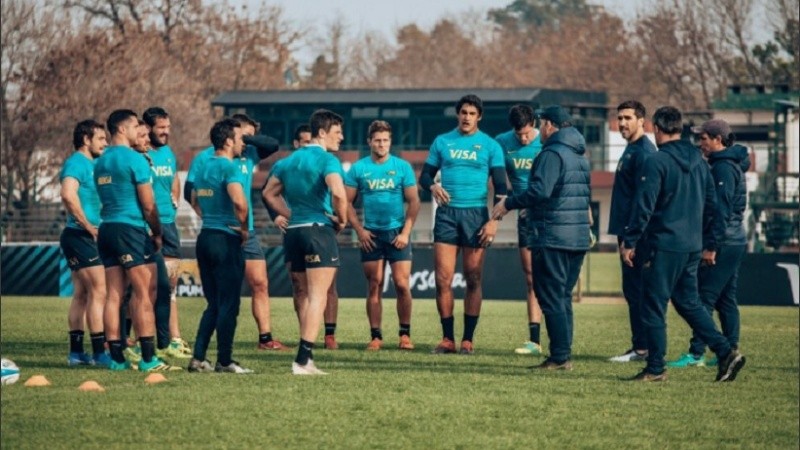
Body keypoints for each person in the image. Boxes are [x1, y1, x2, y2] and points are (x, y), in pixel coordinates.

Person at [621, 106, 746, 382]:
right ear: (679, 128)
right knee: (689, 303)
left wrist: (630, 241)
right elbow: (713, 206)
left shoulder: (657, 161)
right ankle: (726, 351)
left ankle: (655, 368)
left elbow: (644, 205)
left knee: (653, 305)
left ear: (655, 128)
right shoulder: (700, 161)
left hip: (663, 245)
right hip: (691, 245)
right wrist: (707, 241)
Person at [491, 105, 590, 370]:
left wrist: (509, 203)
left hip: (553, 235)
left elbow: (540, 192)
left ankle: (559, 356)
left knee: (550, 296)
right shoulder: (579, 154)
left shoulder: (551, 153)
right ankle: (563, 354)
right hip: (577, 236)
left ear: (548, 125)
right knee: (563, 296)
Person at [184, 114, 285, 351]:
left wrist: (248, 139)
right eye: (242, 136)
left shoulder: (248, 153)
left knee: (260, 283)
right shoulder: (206, 159)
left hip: (246, 232)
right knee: (225, 296)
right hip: (227, 231)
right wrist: (207, 216)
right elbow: (190, 192)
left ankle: (265, 338)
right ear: (230, 136)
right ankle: (222, 353)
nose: (246, 141)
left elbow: (272, 145)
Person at [419, 94, 507, 355]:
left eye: (472, 113)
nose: (467, 117)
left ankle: (468, 340)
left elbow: (501, 188)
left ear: (479, 117)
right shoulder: (442, 141)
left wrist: (494, 222)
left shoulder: (490, 146)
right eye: (463, 112)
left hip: (476, 216)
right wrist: (433, 186)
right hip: (447, 215)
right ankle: (447, 339)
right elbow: (424, 176)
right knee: (442, 279)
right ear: (457, 114)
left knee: (473, 278)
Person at [263, 109, 348, 375]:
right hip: (317, 231)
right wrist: (342, 220)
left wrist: (292, 215)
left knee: (304, 294)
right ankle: (303, 360)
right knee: (317, 296)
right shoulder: (328, 160)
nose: (341, 137)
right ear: (322, 132)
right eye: (337, 132)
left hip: (294, 234)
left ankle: (305, 356)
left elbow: (268, 193)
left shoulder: (288, 161)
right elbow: (338, 193)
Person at [94, 109, 177, 372]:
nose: (140, 133)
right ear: (122, 129)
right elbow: (149, 205)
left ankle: (117, 359)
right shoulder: (135, 159)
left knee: (114, 295)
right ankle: (149, 359)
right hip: (130, 229)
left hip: (107, 228)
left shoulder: (101, 161)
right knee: (143, 293)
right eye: (134, 127)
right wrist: (157, 233)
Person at [668, 119, 749, 368]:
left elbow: (721, 211)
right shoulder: (729, 164)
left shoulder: (723, 168)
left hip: (724, 241)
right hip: (735, 239)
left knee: (704, 297)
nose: (699, 143)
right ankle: (730, 349)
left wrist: (711, 246)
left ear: (718, 140)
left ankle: (696, 354)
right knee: (726, 299)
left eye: (703, 138)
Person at [345, 120, 420, 351]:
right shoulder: (358, 168)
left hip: (397, 233)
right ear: (369, 141)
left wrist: (406, 232)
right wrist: (360, 231)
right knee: (374, 284)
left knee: (402, 285)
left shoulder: (402, 167)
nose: (382, 144)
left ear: (390, 141)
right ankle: (376, 336)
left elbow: (414, 201)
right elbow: (346, 203)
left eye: (385, 140)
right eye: (377, 140)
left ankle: (404, 335)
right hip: (371, 235)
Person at [188, 118, 252, 374]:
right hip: (225, 240)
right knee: (229, 304)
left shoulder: (203, 167)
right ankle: (224, 361)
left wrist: (210, 217)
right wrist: (244, 228)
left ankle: (198, 358)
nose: (243, 143)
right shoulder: (229, 167)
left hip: (205, 237)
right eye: (240, 139)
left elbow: (193, 199)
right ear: (228, 142)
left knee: (213, 304)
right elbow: (240, 202)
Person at [608, 100, 658, 363]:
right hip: (628, 233)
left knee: (638, 291)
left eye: (628, 118)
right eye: (620, 118)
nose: (622, 123)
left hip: (637, 236)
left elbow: (643, 201)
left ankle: (643, 348)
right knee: (633, 291)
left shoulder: (644, 153)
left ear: (642, 121)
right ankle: (641, 346)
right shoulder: (631, 149)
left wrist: (631, 239)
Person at [494, 104, 544, 356]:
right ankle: (534, 340)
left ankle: (561, 333)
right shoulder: (502, 142)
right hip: (524, 216)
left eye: (526, 134)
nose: (523, 139)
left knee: (551, 278)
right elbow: (497, 177)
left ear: (534, 124)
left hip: (548, 215)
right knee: (531, 277)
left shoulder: (546, 141)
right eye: (518, 135)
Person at [143, 106, 193, 359]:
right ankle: (138, 339)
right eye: (161, 128)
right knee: (144, 286)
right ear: (148, 128)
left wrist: (174, 194)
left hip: (169, 225)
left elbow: (174, 177)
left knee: (170, 285)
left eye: (168, 127)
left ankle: (174, 338)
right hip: (145, 226)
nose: (166, 132)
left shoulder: (168, 152)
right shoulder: (139, 154)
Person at [60, 119, 111, 367]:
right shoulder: (76, 163)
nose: (105, 143)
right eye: (100, 138)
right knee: (99, 292)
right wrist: (88, 226)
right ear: (86, 140)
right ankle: (100, 353)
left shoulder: (95, 164)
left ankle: (77, 354)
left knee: (81, 294)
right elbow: (67, 195)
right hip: (81, 236)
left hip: (81, 236)